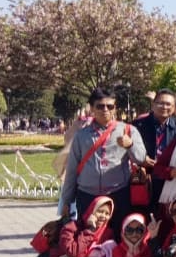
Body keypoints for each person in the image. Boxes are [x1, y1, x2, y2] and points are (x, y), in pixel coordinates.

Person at [61, 87, 147, 235]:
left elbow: (141, 158)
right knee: (87, 237)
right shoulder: (82, 136)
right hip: (87, 195)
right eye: (100, 106)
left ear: (115, 108)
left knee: (118, 237)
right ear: (92, 108)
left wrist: (130, 145)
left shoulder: (128, 130)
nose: (105, 110)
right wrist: (67, 201)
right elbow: (72, 169)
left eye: (110, 106)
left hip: (118, 193)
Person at [133, 89, 176, 212]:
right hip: (144, 179)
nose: (164, 107)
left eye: (168, 104)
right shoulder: (138, 125)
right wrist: (140, 159)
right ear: (153, 104)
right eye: (160, 103)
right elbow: (127, 150)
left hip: (167, 181)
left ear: (173, 108)